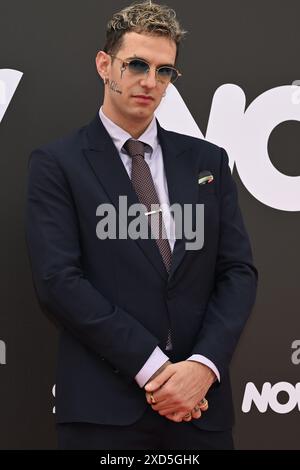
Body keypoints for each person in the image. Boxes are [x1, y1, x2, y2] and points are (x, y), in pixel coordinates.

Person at [26, 1, 257, 450]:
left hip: (200, 411)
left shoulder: (208, 161)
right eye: (136, 65)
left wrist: (202, 367)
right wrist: (155, 370)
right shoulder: (57, 164)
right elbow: (59, 282)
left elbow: (238, 272)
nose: (150, 82)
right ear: (104, 64)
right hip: (103, 415)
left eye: (164, 71)